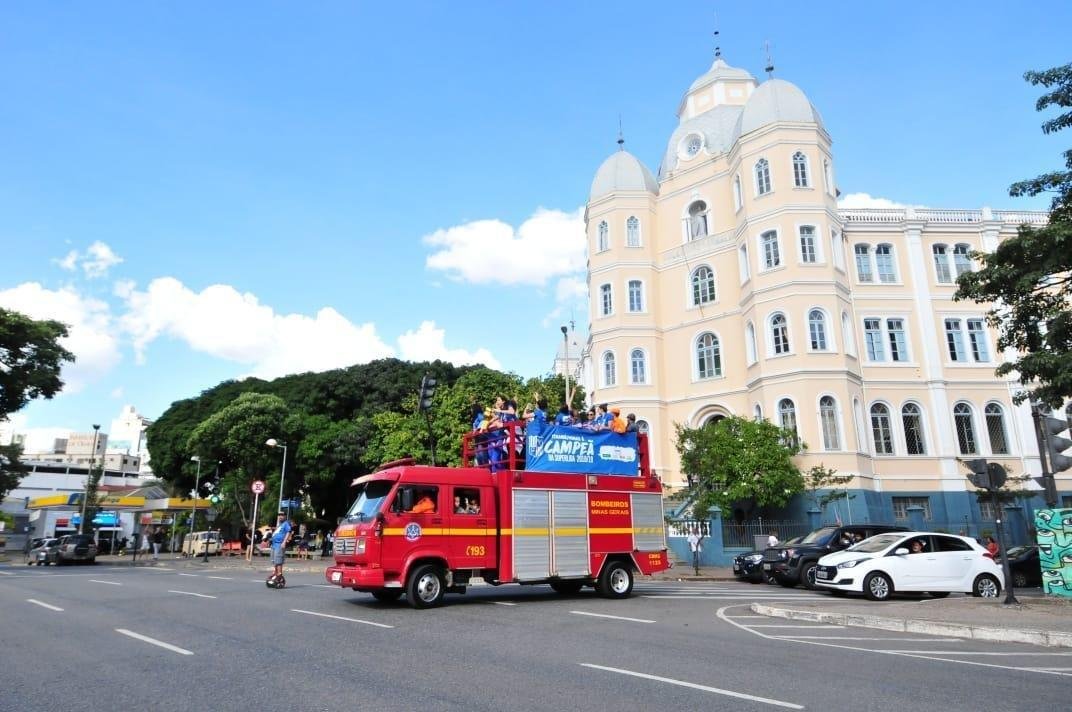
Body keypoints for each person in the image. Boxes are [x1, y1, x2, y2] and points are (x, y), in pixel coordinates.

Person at [270, 512, 293, 580]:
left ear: (285, 516)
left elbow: (288, 531)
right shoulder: (279, 525)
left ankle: (279, 574)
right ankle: (276, 573)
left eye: (282, 515)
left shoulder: (286, 523)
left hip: (279, 544)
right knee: (274, 560)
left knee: (279, 560)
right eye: (279, 515)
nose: (280, 516)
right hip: (274, 544)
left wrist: (284, 542)